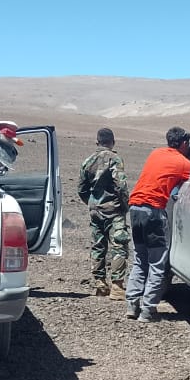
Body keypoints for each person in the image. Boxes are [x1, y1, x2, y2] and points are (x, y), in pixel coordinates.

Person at [125, 126, 190, 322]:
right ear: (184, 143)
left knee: (140, 258)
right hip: (153, 212)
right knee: (157, 262)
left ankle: (132, 305)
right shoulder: (184, 164)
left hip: (135, 209)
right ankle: (148, 310)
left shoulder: (156, 153)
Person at [77, 127, 130, 299]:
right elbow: (121, 185)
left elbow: (81, 188)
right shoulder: (115, 159)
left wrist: (92, 203)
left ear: (97, 142)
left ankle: (100, 284)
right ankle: (117, 286)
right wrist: (125, 205)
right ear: (112, 142)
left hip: (95, 210)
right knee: (119, 245)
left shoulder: (88, 161)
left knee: (98, 246)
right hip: (113, 210)